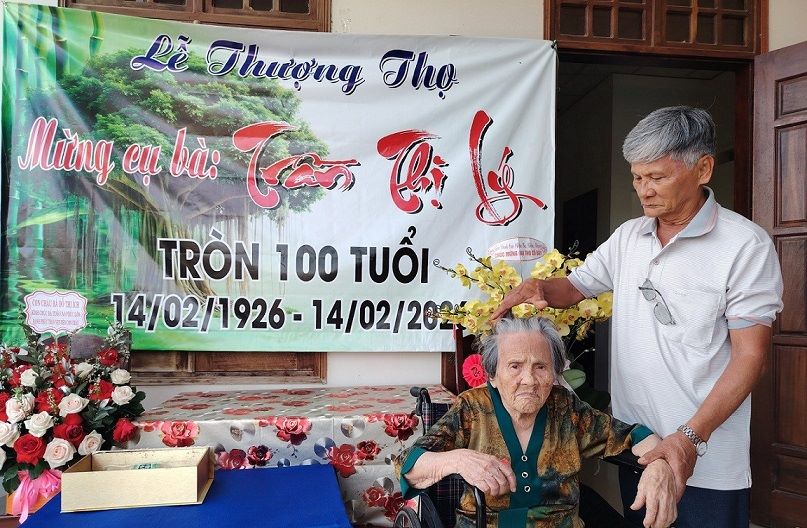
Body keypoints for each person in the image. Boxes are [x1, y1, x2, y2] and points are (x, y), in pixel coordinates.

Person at [491, 106, 784, 528]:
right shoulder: (630, 236)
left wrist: (688, 441)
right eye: (637, 177)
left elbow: (749, 358)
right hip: (638, 446)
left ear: (703, 169)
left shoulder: (744, 247)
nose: (644, 190)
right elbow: (577, 287)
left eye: (658, 177)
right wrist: (539, 289)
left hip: (705, 459)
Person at [395, 316, 677, 528]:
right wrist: (457, 459)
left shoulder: (565, 408)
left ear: (554, 374)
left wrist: (660, 463)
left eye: (540, 367)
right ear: (492, 375)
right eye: (515, 366)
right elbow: (410, 465)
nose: (529, 380)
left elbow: (631, 435)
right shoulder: (473, 408)